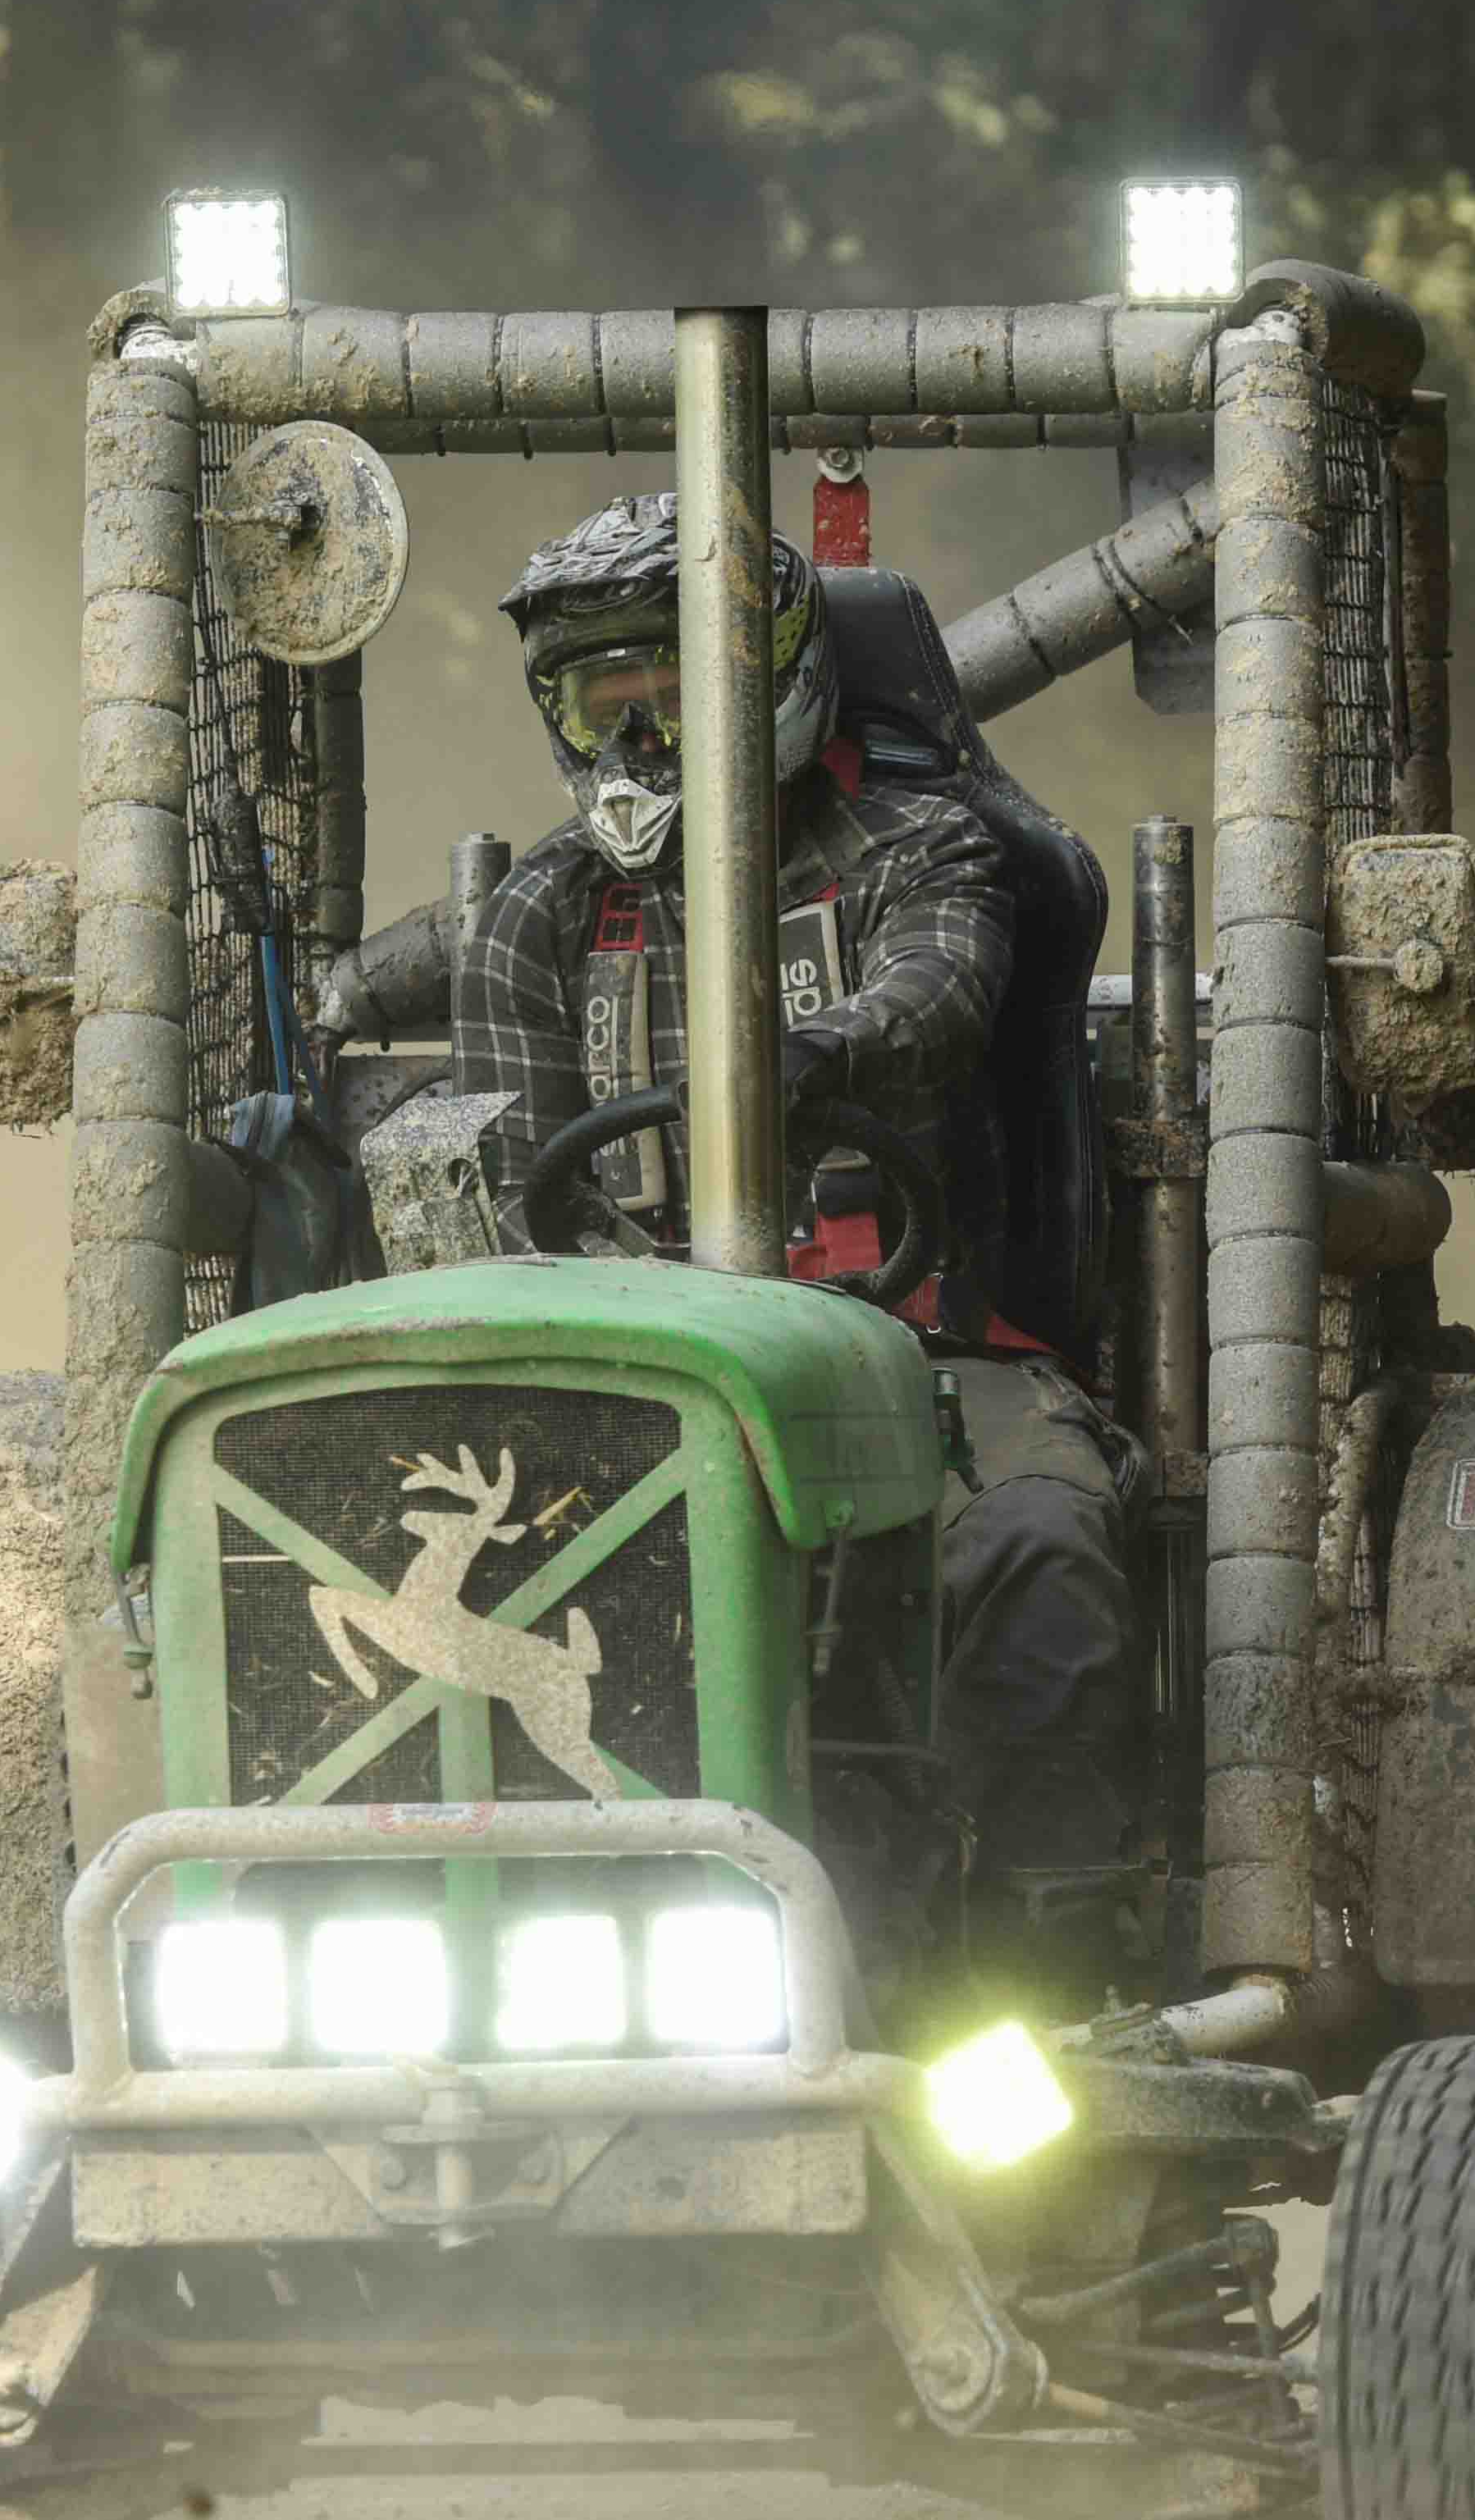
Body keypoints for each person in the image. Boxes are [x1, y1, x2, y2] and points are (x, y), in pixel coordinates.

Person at [432, 494, 1146, 1879]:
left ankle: (1054, 1924)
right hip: (632, 1380)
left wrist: (810, 1054)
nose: (637, 747)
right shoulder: (542, 913)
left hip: (917, 1351)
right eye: (603, 712)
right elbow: (517, 1204)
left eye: (672, 702)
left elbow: (936, 991)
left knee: (1039, 1541)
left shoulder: (921, 848)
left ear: (772, 678)